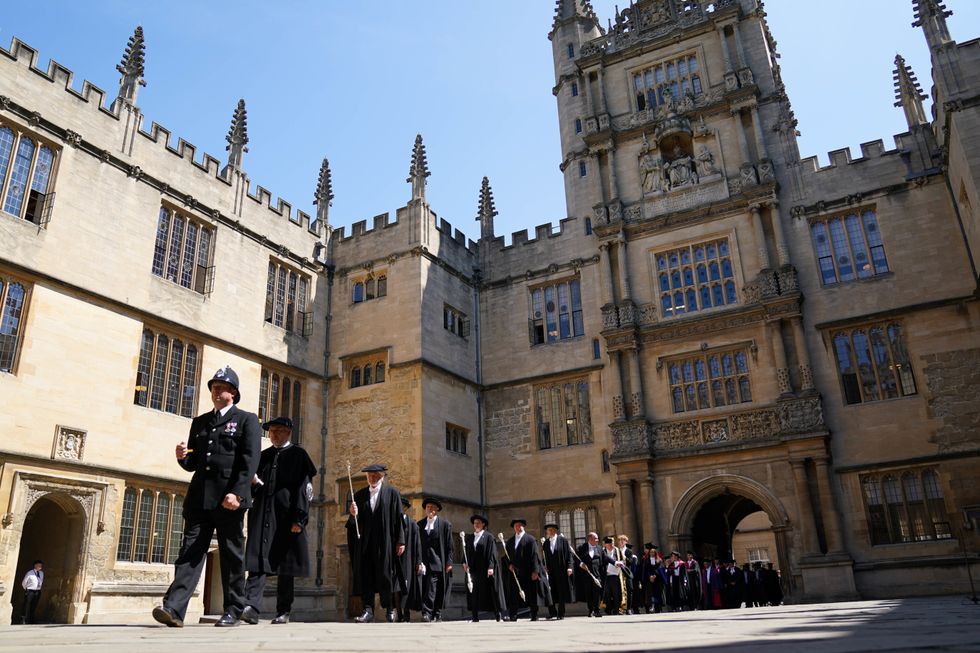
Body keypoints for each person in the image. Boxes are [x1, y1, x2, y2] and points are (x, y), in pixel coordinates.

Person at [153, 366, 262, 628]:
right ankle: (174, 609)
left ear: (233, 393)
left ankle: (234, 609)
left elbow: (249, 461)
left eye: (221, 387)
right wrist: (183, 457)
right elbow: (194, 464)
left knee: (231, 556)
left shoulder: (247, 420)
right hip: (200, 500)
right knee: (190, 552)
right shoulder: (200, 422)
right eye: (213, 387)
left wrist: (237, 492)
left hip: (229, 500)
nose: (216, 391)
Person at [240, 417, 317, 626]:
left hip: (286, 516)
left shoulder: (298, 455)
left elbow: (304, 489)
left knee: (285, 566)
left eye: (279, 431)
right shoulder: (263, 456)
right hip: (263, 513)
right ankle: (251, 607)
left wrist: (299, 518)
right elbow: (255, 489)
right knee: (257, 560)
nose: (274, 435)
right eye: (272, 431)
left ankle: (284, 610)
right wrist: (255, 483)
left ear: (289, 432)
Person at [346, 463, 406, 623]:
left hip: (385, 542)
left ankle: (389, 609)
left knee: (386, 575)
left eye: (375, 475)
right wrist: (353, 515)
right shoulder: (358, 496)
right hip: (365, 543)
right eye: (369, 475)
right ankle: (367, 610)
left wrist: (400, 541)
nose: (372, 477)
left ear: (382, 476)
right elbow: (352, 524)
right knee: (365, 574)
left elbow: (399, 519)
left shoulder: (392, 494)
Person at [504, 519, 550, 621]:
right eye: (516, 526)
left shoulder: (530, 539)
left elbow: (535, 556)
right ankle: (513, 615)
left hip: (529, 571)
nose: (518, 527)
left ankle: (534, 614)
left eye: (520, 525)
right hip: (515, 572)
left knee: (532, 593)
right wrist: (509, 565)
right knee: (514, 594)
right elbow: (506, 556)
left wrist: (535, 571)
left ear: (523, 526)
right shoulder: (510, 541)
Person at [463, 514, 506, 622]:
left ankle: (497, 614)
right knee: (473, 592)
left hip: (486, 569)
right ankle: (474, 615)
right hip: (473, 569)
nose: (476, 525)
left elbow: (493, 553)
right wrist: (464, 563)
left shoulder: (489, 537)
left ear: (483, 525)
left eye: (478, 523)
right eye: (475, 523)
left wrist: (491, 566)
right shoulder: (470, 537)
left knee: (492, 591)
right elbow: (465, 552)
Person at [417, 497, 453, 622]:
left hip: (438, 562)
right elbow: (418, 545)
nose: (430, 509)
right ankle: (436, 613)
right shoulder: (420, 525)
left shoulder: (444, 525)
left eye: (432, 507)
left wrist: (449, 562)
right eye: (428, 507)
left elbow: (450, 546)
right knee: (427, 587)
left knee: (433, 587)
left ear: (437, 510)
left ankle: (427, 612)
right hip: (423, 562)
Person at [395, 497, 422, 622]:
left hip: (408, 561)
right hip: (395, 560)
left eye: (402, 507)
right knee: (395, 588)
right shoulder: (393, 523)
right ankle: (398, 614)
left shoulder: (413, 525)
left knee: (405, 587)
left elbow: (417, 545)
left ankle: (406, 614)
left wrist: (418, 562)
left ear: (405, 508)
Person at [542, 523, 575, 619]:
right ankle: (552, 612)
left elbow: (569, 555)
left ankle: (561, 613)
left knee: (561, 592)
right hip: (550, 571)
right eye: (548, 530)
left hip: (561, 570)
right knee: (550, 592)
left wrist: (570, 567)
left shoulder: (563, 541)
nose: (550, 531)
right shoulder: (546, 543)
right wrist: (544, 566)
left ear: (555, 530)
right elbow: (544, 557)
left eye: (552, 530)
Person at [575, 532, 604, 618]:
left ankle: (597, 610)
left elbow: (605, 558)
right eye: (596, 539)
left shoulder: (599, 548)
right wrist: (581, 564)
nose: (597, 540)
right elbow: (576, 559)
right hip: (586, 575)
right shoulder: (582, 548)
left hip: (597, 575)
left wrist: (615, 562)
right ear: (590, 539)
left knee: (597, 593)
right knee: (588, 593)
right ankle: (590, 610)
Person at [600, 536, 629, 615]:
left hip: (616, 575)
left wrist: (620, 564)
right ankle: (608, 610)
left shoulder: (617, 550)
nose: (611, 545)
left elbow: (624, 561)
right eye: (609, 544)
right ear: (605, 545)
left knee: (616, 593)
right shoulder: (603, 551)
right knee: (607, 594)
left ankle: (617, 609)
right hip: (606, 576)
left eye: (612, 543)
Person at [21, 560, 43, 624]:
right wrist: (27, 589)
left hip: (37, 591)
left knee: (34, 605)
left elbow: (41, 581)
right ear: (35, 565)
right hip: (30, 590)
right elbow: (24, 582)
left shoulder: (41, 573)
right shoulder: (30, 573)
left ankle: (31, 619)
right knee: (26, 604)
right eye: (39, 565)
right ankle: (23, 618)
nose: (40, 566)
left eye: (41, 565)